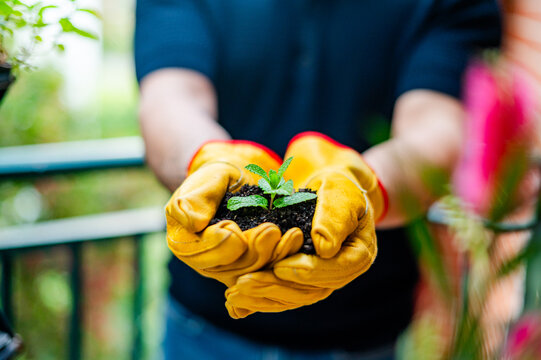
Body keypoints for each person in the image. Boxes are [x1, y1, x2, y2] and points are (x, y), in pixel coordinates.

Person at [134, 1, 501, 358]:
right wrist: (206, 162)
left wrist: (363, 188)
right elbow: (171, 99)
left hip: (364, 334)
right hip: (203, 328)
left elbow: (435, 130)